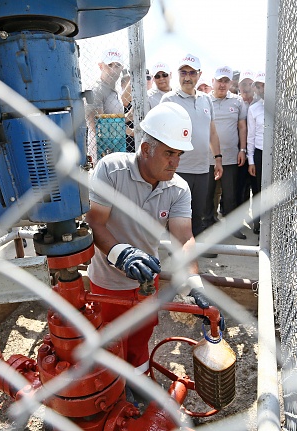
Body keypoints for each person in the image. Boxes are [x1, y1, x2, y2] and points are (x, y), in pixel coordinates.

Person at [85, 102, 220, 375]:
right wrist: (121, 254)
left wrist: (195, 286)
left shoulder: (178, 188)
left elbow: (184, 239)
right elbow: (95, 223)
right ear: (146, 149)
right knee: (107, 346)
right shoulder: (111, 170)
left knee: (139, 343)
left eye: (179, 154)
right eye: (169, 153)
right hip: (107, 283)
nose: (176, 162)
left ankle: (140, 388)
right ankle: (112, 398)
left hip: (147, 283)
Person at [160, 53, 223, 257]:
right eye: (183, 72)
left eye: (192, 73)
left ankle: (192, 250)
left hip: (202, 168)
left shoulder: (206, 100)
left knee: (199, 211)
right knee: (177, 213)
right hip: (178, 168)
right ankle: (176, 252)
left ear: (199, 75)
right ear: (178, 74)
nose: (188, 77)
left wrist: (218, 159)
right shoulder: (169, 99)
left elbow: (212, 132)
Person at [204, 65, 248, 239]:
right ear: (212, 81)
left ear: (230, 82)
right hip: (207, 158)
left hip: (230, 156)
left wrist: (242, 150)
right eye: (219, 80)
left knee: (230, 194)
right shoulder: (204, 100)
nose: (222, 84)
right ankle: (207, 224)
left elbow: (242, 126)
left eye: (226, 81)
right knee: (207, 193)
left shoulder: (237, 102)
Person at [86, 48, 125, 160]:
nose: (113, 70)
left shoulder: (114, 92)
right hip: (102, 153)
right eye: (109, 65)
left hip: (116, 150)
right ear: (101, 66)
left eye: (117, 65)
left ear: (122, 69)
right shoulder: (96, 90)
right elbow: (97, 126)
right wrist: (126, 127)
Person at [236, 69, 259, 228]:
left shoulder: (260, 103)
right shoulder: (236, 102)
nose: (247, 87)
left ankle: (257, 219)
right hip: (238, 150)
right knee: (241, 186)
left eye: (250, 84)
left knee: (256, 186)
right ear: (238, 86)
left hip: (255, 150)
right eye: (244, 84)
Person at [246, 71, 266, 235]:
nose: (261, 88)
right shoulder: (254, 109)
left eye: (264, 85)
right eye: (258, 86)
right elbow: (250, 137)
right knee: (258, 190)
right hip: (259, 154)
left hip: (278, 155)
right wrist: (251, 160)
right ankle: (258, 223)